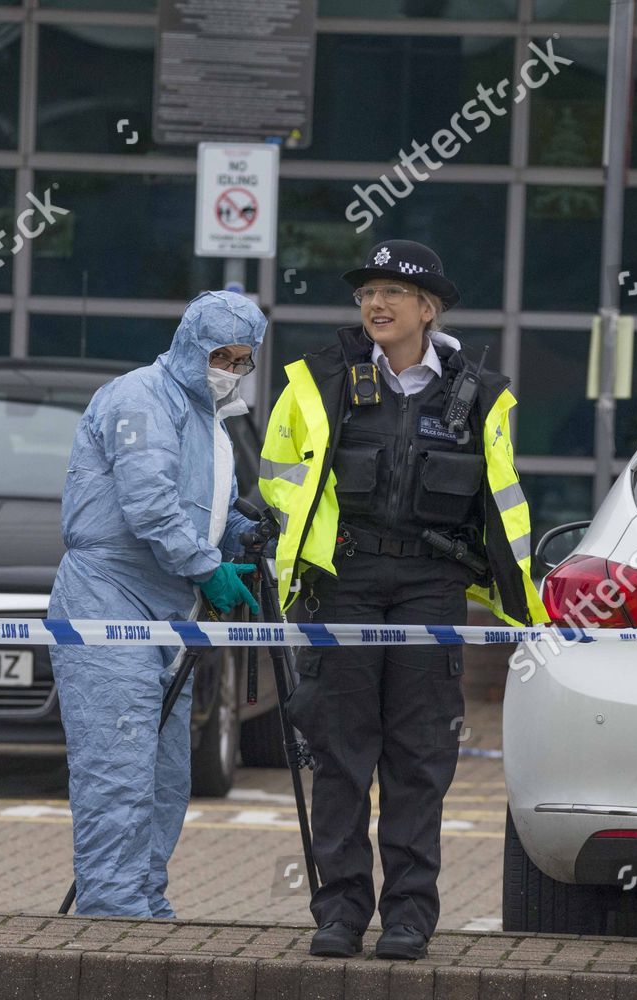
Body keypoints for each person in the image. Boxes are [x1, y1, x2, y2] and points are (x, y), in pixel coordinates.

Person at [258, 240, 547, 960]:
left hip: (431, 583)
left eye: (392, 292)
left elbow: (505, 501)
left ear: (429, 308)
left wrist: (527, 608)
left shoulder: (482, 393)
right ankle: (341, 914)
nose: (376, 305)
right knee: (341, 752)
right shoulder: (314, 380)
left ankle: (411, 916)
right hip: (344, 581)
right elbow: (277, 478)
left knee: (419, 758)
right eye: (367, 293)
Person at [49, 290, 267, 917]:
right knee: (116, 771)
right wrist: (210, 569)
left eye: (241, 358)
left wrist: (238, 538)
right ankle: (112, 912)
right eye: (220, 354)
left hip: (168, 611)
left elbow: (199, 509)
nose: (229, 367)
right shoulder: (142, 398)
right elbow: (148, 503)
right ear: (191, 345)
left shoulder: (209, 420)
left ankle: (142, 899)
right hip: (108, 601)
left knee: (165, 775)